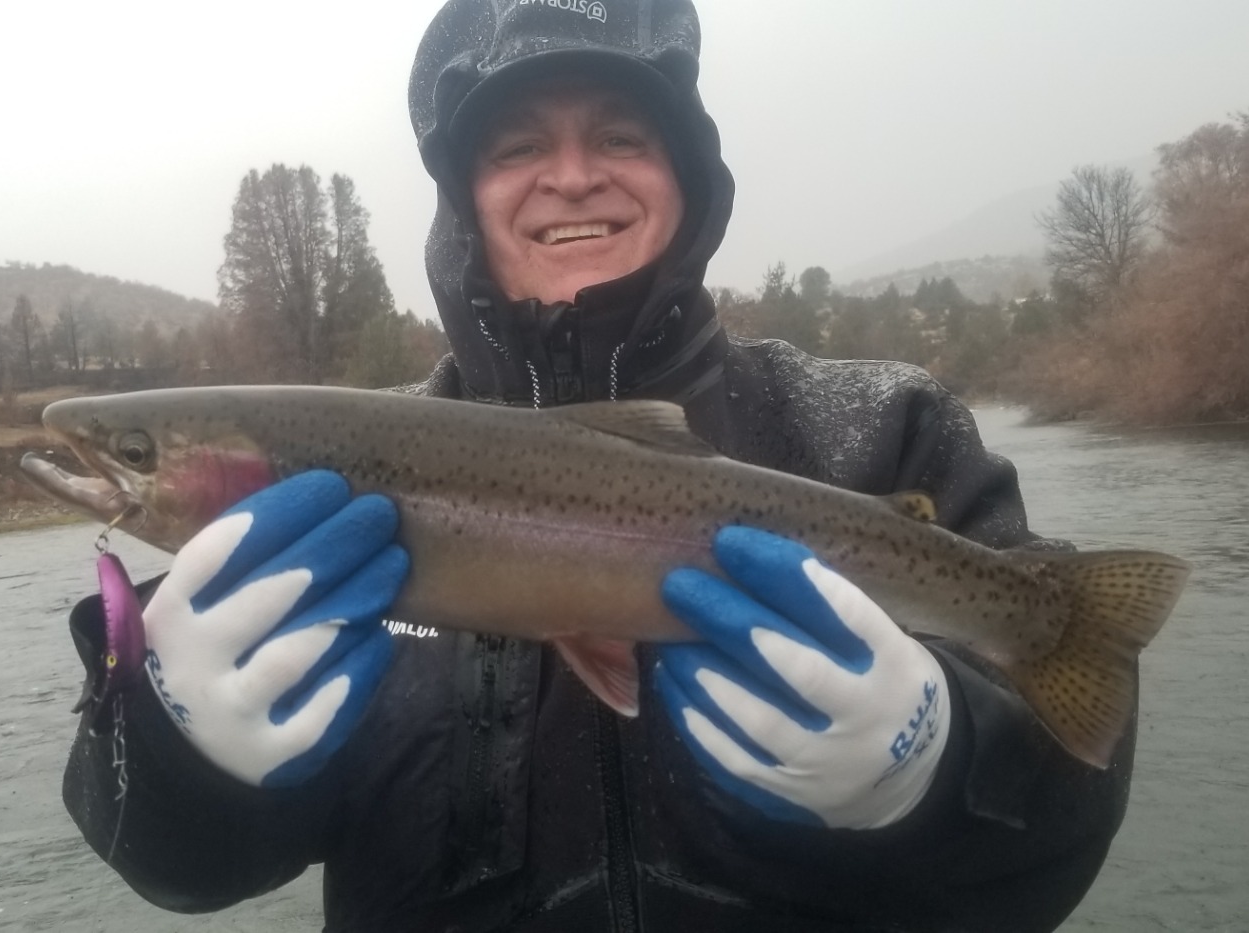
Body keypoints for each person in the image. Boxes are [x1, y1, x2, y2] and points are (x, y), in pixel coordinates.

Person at [62, 1, 1135, 929]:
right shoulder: (304, 513)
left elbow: (1050, 848)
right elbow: (176, 871)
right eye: (515, 147)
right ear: (463, 199)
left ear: (686, 175)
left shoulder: (884, 430)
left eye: (620, 135)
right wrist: (172, 753)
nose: (572, 177)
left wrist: (937, 767)